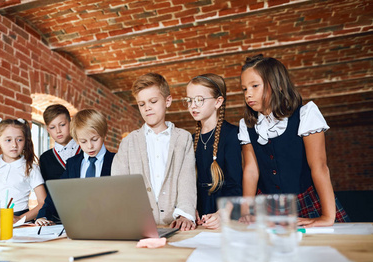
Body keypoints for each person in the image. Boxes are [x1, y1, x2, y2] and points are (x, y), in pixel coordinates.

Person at [238, 54, 350, 227]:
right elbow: (251, 170)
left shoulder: (305, 115)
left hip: (306, 201)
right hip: (267, 208)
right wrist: (245, 211)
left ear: (279, 85)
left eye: (254, 86)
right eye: (244, 89)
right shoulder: (247, 125)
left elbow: (319, 166)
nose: (248, 94)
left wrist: (327, 216)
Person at [111, 73, 197, 231]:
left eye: (153, 101)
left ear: (167, 101)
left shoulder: (183, 138)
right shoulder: (128, 142)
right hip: (138, 225)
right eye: (141, 104)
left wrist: (185, 214)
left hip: (175, 225)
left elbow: (187, 179)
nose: (147, 108)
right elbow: (119, 184)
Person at [35, 109, 115, 225]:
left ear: (103, 134)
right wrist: (43, 215)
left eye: (94, 139)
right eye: (83, 141)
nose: (90, 146)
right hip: (79, 224)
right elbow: (57, 191)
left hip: (109, 224)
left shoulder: (115, 160)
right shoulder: (73, 163)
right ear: (77, 139)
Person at [185, 74, 243, 229]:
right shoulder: (189, 140)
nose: (193, 105)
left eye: (199, 100)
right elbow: (188, 184)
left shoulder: (232, 135)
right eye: (189, 100)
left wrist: (222, 213)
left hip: (227, 216)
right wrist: (190, 210)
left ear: (218, 102)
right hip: (200, 220)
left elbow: (236, 185)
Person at [0, 118, 47, 223]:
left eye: (19, 139)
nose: (14, 145)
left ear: (25, 141)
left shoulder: (31, 168)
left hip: (22, 223)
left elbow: (43, 202)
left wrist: (19, 219)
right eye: (8, 140)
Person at [39, 104, 80, 182]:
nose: (58, 131)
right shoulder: (45, 158)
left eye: (62, 125)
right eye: (52, 127)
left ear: (70, 123)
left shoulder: (86, 150)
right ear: (48, 130)